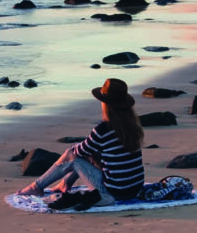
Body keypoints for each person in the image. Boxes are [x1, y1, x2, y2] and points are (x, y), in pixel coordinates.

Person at [16, 78, 145, 210]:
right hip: (134, 189)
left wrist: (75, 149)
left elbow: (77, 153)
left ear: (106, 104)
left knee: (72, 154)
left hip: (113, 192)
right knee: (86, 153)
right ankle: (64, 184)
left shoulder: (103, 129)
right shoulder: (133, 127)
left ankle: (36, 187)